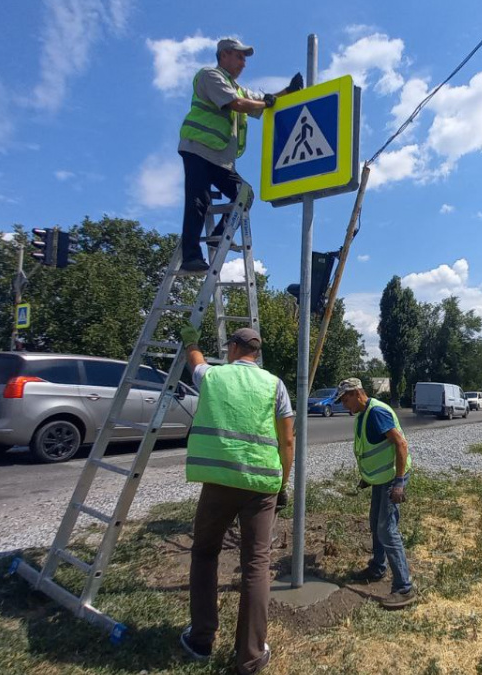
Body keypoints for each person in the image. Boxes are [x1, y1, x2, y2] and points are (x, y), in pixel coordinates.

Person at [177, 323, 295, 675]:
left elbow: (195, 362)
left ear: (232, 349)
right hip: (261, 486)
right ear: (256, 354)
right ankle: (250, 655)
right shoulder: (275, 384)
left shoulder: (213, 377)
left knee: (204, 553)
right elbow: (287, 441)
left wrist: (190, 341)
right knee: (257, 565)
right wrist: (282, 485)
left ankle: (201, 638)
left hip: (218, 483)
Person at [178, 38, 302, 273]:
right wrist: (265, 103)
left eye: (244, 58)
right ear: (223, 55)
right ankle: (190, 256)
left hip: (221, 159)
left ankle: (218, 236)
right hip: (199, 148)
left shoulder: (236, 87)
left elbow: (260, 100)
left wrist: (288, 91)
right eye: (239, 56)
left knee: (244, 195)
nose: (244, 63)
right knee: (198, 200)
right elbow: (238, 104)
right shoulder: (210, 76)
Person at [333, 377, 417, 609]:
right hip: (381, 479)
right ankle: (378, 568)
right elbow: (373, 448)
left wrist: (399, 482)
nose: (343, 405)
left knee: (387, 529)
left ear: (356, 394)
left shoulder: (377, 412)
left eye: (344, 399)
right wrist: (367, 478)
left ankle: (404, 587)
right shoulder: (363, 414)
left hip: (392, 478)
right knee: (375, 522)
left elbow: (400, 444)